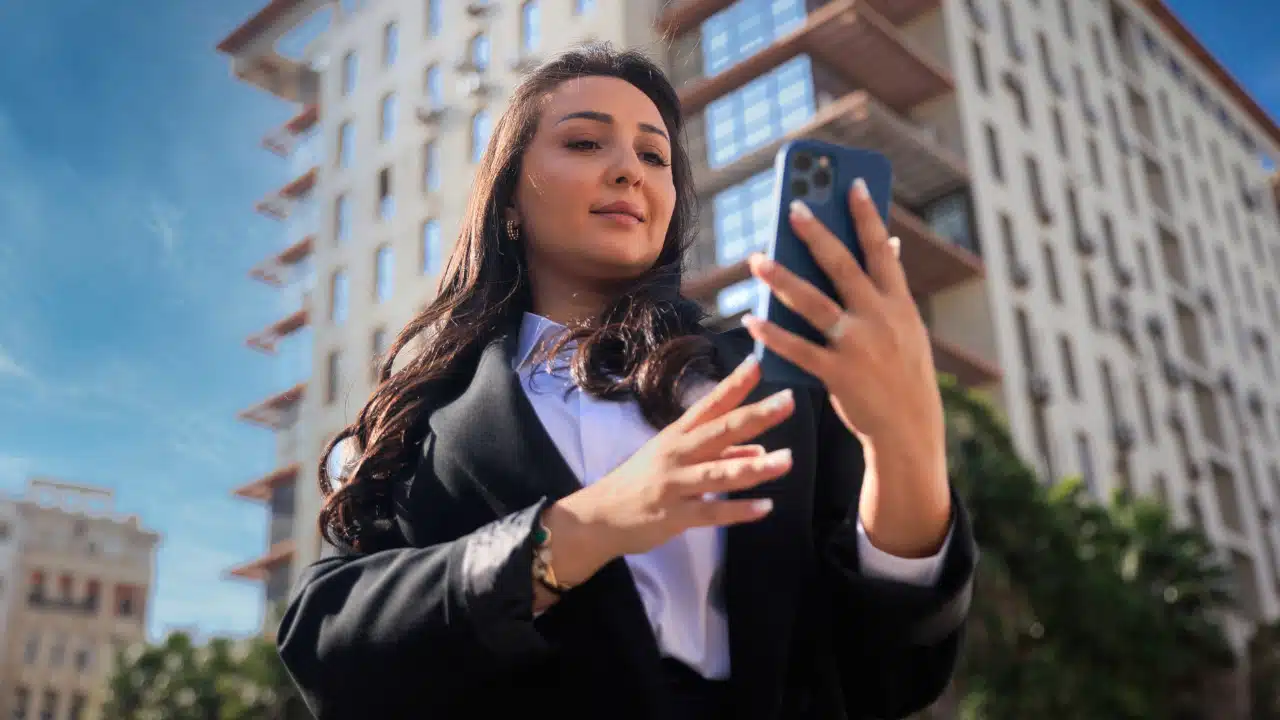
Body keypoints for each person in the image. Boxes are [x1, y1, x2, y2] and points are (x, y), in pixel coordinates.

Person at [276, 43, 976, 720]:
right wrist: (583, 530)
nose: (628, 171)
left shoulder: (768, 374)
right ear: (510, 201)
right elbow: (327, 645)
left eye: (654, 155)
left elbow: (892, 672)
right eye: (585, 144)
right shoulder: (430, 423)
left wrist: (906, 445)